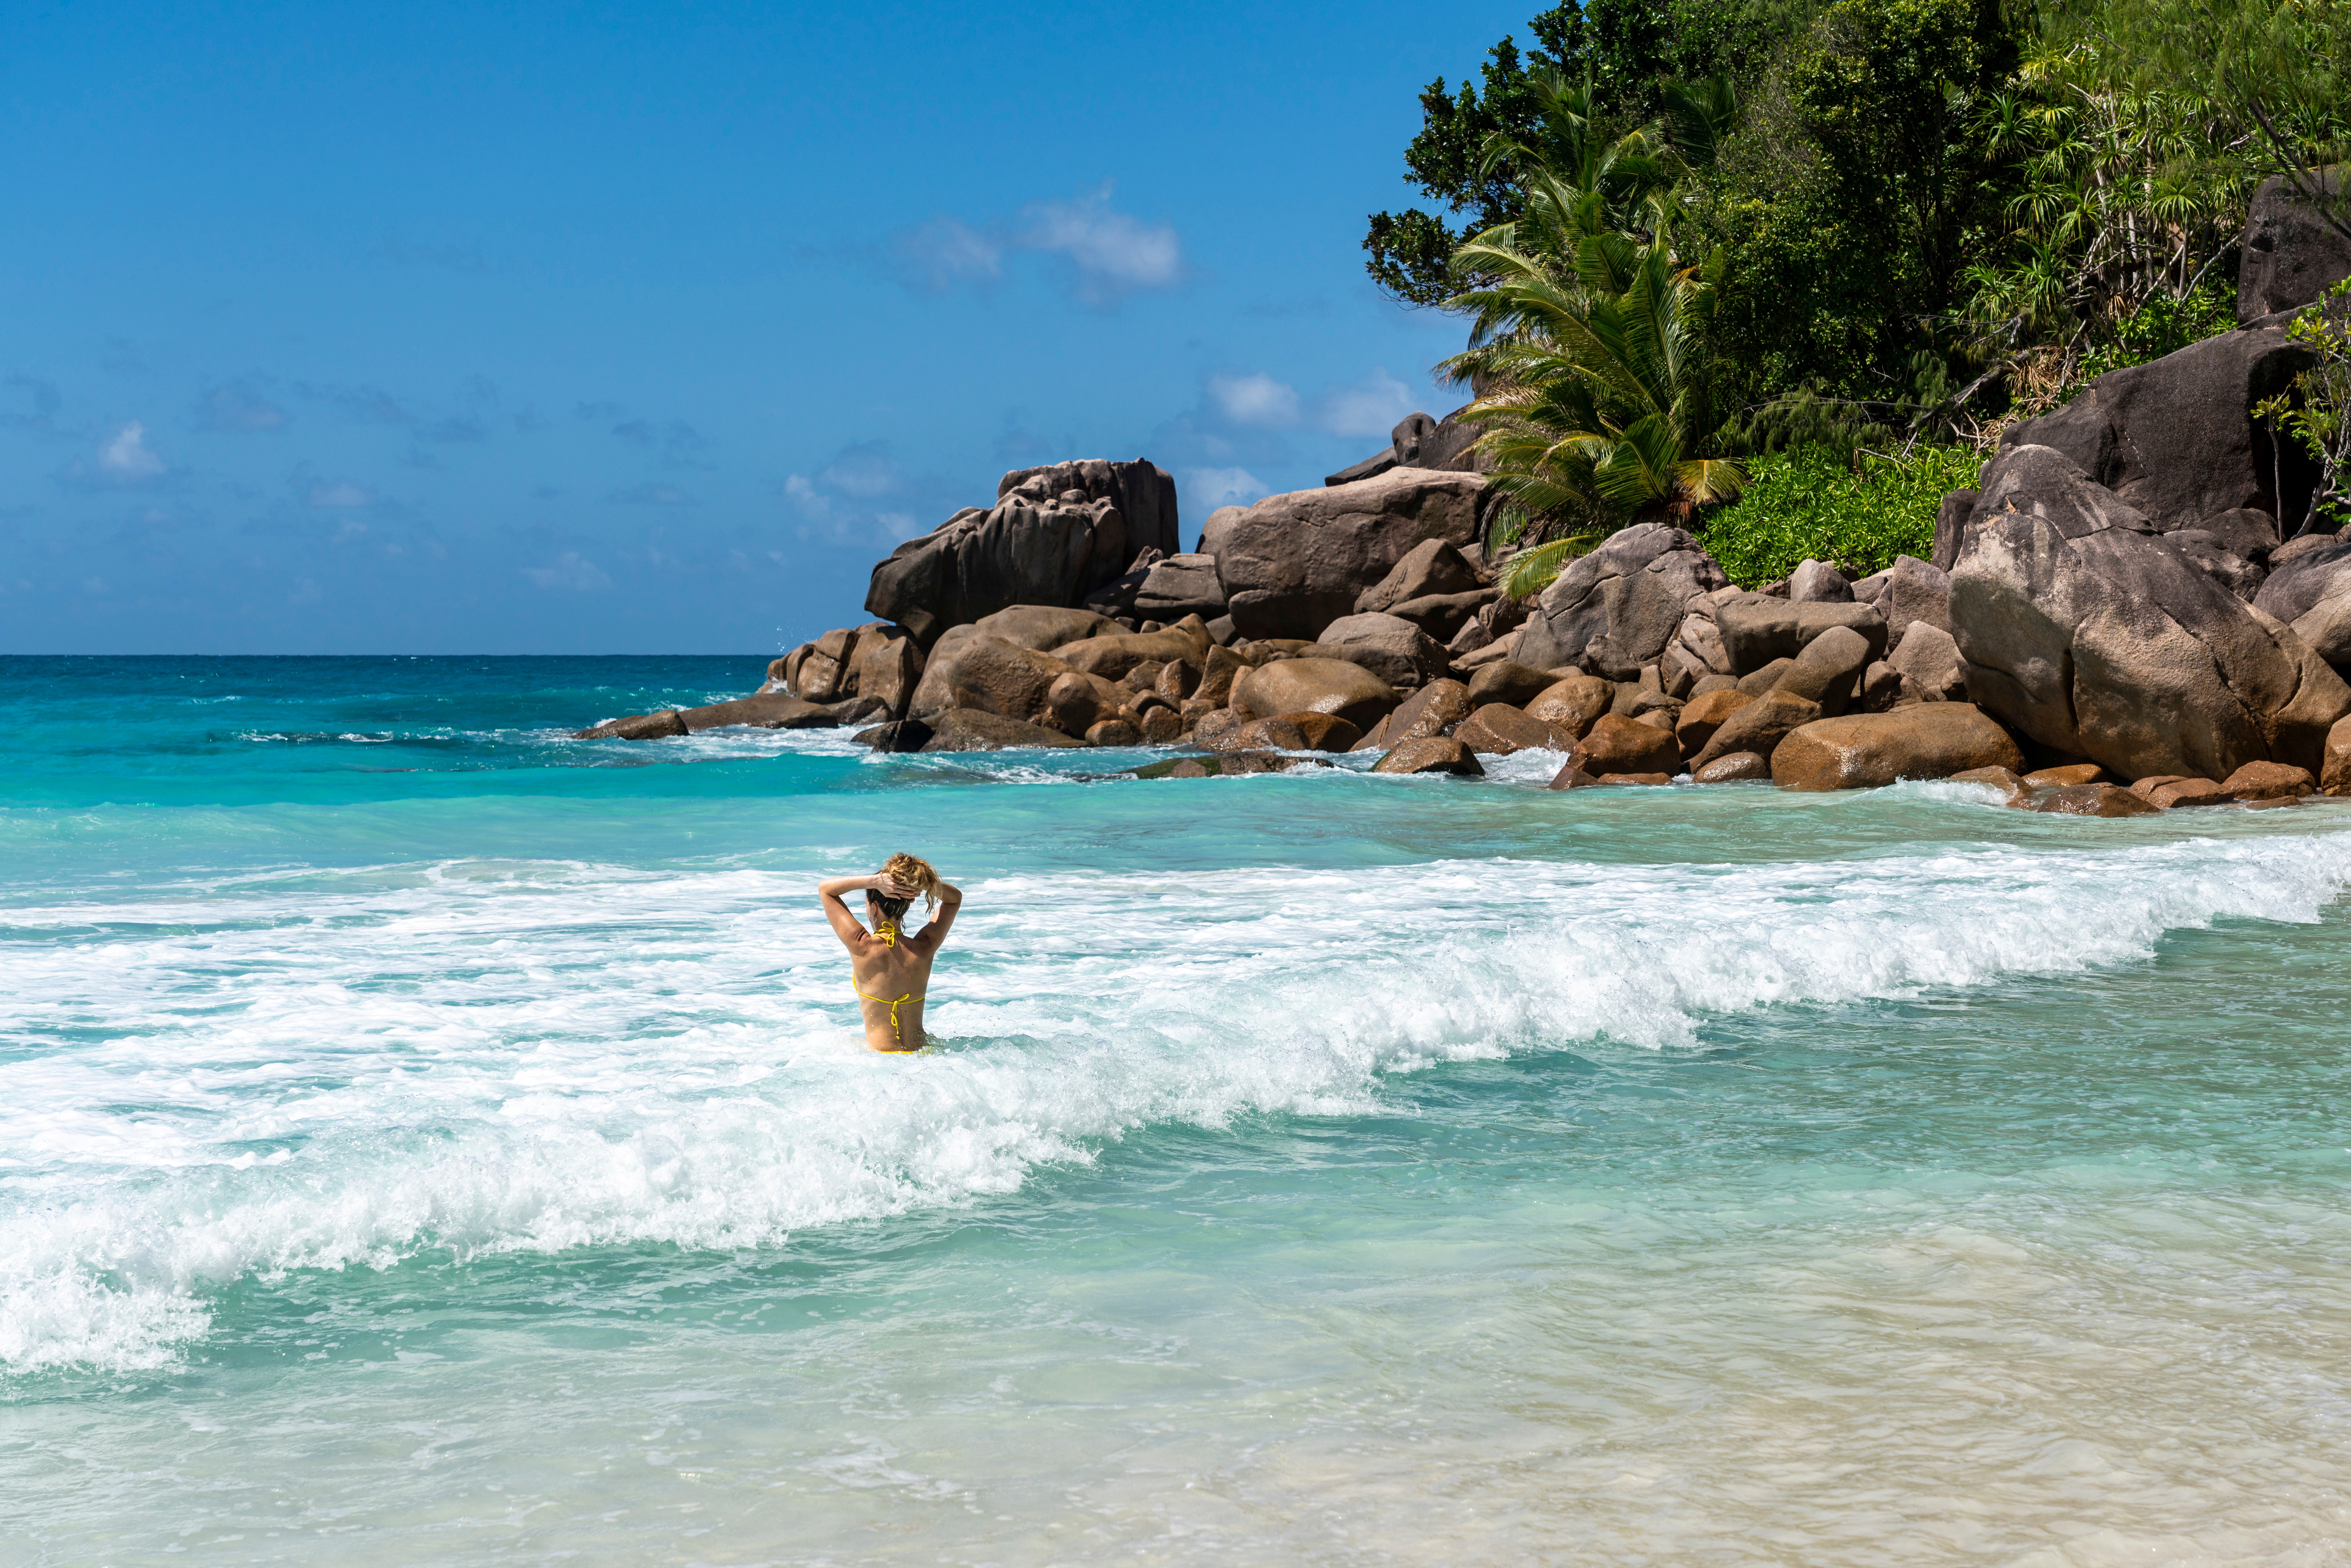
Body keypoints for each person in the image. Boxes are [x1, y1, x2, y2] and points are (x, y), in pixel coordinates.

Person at [817, 854, 962, 1053]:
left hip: (881, 1059)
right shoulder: (924, 947)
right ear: (907, 905)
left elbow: (826, 889)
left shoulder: (862, 945)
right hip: (924, 1054)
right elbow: (954, 900)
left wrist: (875, 881)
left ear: (874, 909)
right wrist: (923, 884)